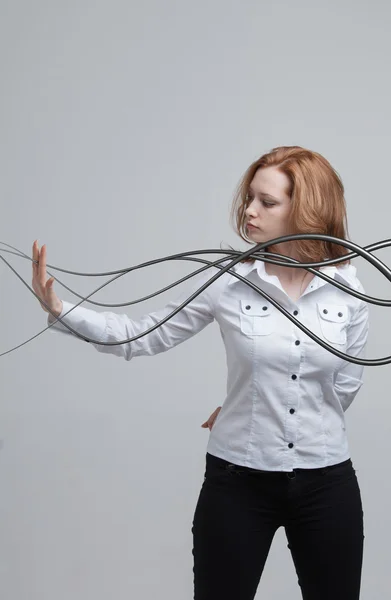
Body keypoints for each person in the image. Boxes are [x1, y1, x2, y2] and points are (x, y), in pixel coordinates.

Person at [32, 145, 369, 600]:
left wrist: (262, 401)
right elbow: (142, 334)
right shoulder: (227, 281)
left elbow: (345, 386)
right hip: (237, 483)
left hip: (327, 483)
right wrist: (60, 309)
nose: (249, 211)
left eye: (267, 202)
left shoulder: (348, 289)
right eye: (250, 197)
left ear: (307, 208)